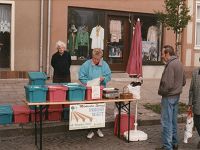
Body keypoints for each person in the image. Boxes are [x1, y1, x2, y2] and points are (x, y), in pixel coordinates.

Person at [155, 45, 186, 150]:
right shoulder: (179, 63)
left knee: (166, 122)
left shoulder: (170, 65)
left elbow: (168, 85)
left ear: (167, 53)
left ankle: (168, 147)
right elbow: (184, 81)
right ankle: (174, 143)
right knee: (173, 121)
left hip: (169, 96)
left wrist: (161, 91)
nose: (162, 56)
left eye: (163, 54)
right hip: (176, 95)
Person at [79, 48, 111, 139]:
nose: (96, 61)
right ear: (92, 57)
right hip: (90, 90)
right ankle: (90, 130)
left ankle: (98, 128)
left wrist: (104, 78)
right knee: (90, 109)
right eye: (94, 59)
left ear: (101, 58)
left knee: (99, 109)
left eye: (98, 59)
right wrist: (89, 82)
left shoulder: (104, 65)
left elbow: (109, 75)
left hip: (100, 90)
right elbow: (81, 76)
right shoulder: (86, 64)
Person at [188, 65, 200, 149]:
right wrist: (190, 103)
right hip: (197, 104)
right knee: (197, 123)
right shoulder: (195, 72)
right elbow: (191, 89)